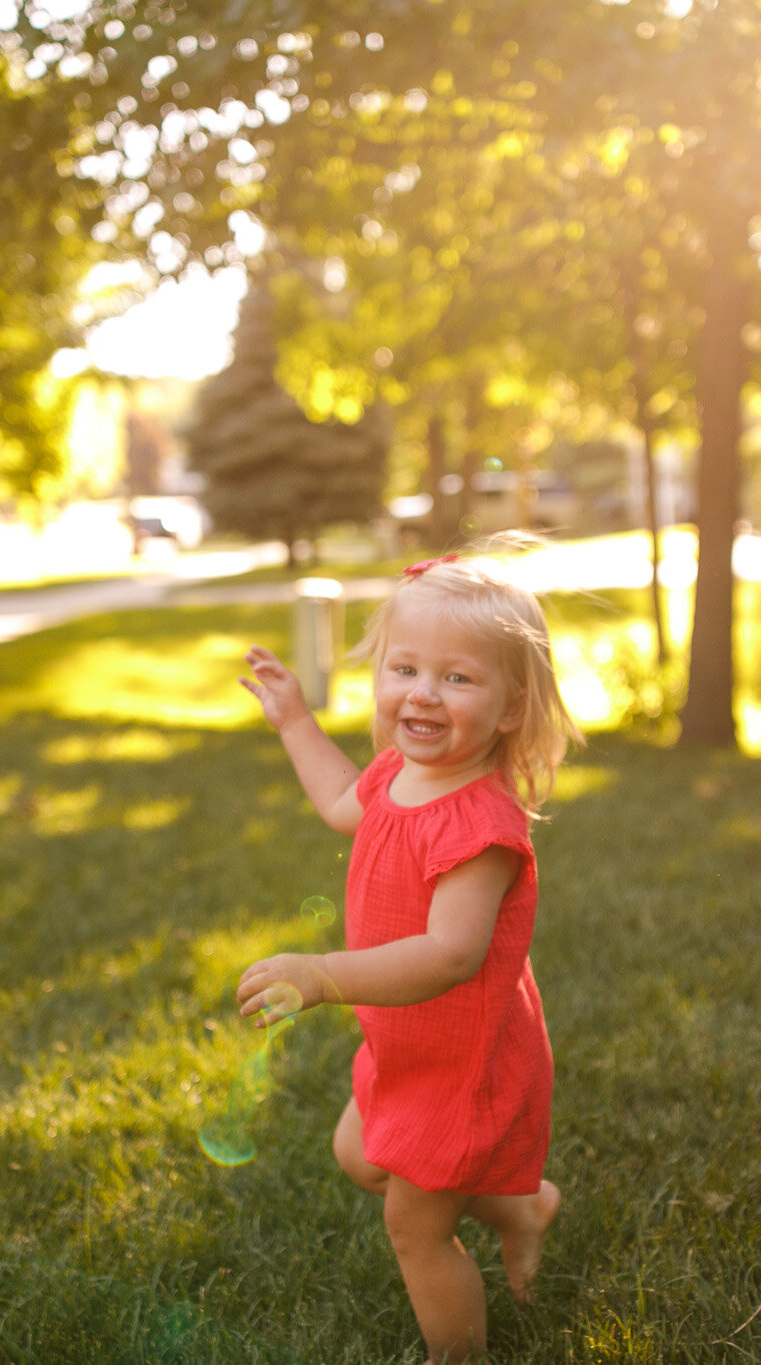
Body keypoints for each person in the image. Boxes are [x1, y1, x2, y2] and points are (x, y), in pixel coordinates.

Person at [235, 547, 584, 1363]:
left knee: (415, 1228)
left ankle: (456, 1355)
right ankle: (519, 1209)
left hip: (462, 1057)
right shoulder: (398, 772)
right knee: (359, 1153)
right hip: (406, 1041)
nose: (422, 692)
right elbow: (335, 801)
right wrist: (294, 720)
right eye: (405, 668)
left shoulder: (481, 830)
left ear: (508, 709)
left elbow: (450, 954)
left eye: (458, 678)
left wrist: (321, 973)